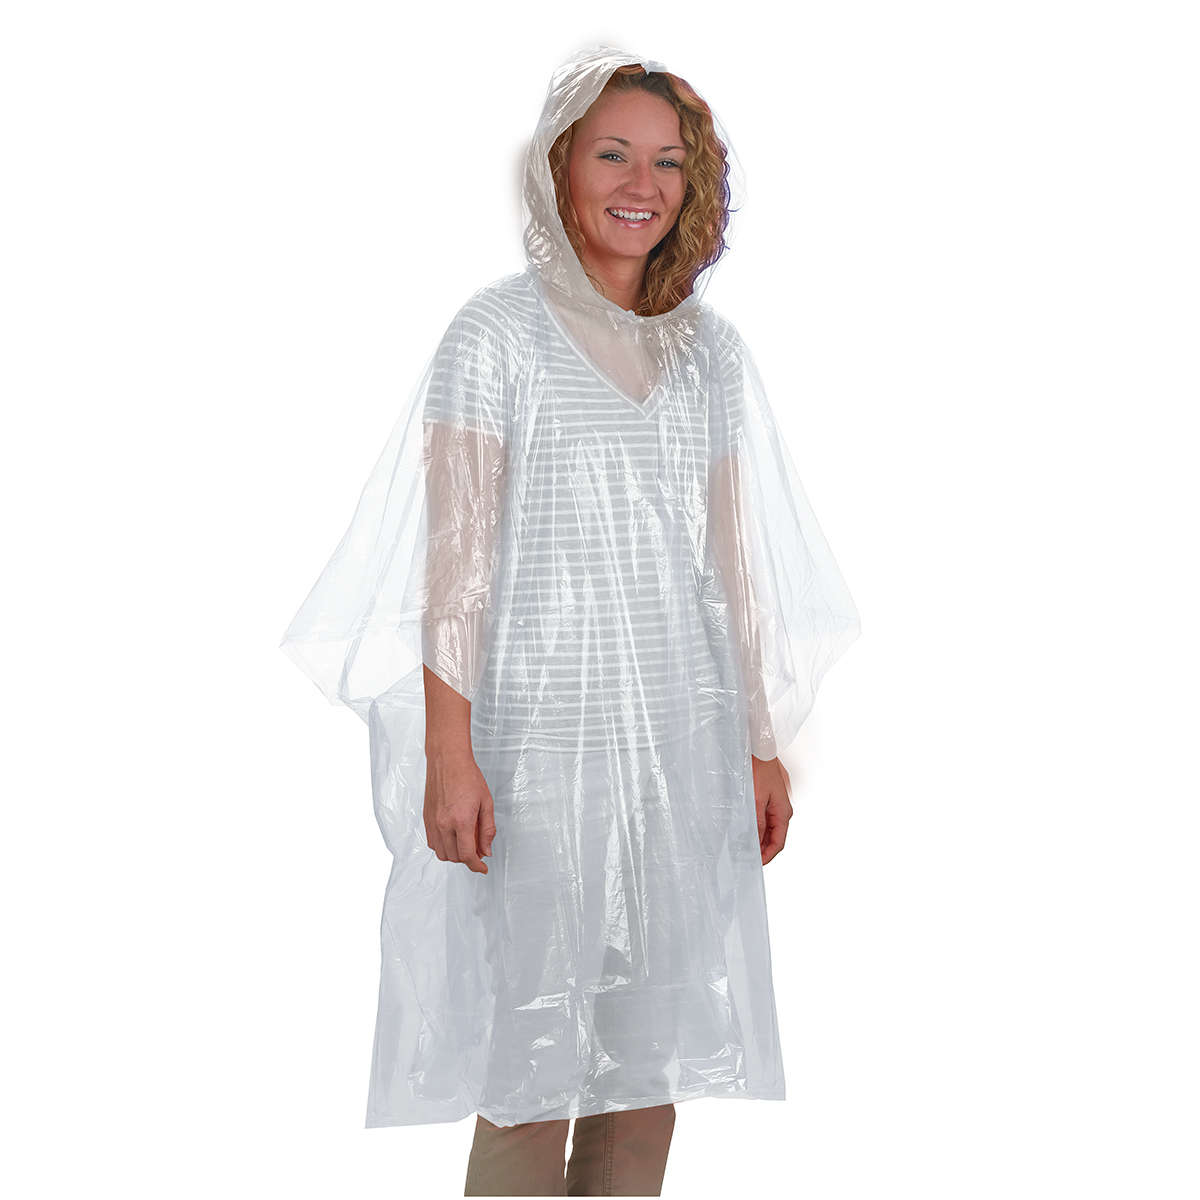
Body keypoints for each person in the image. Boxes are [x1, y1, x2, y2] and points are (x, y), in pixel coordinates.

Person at [280, 45, 861, 1198]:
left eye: (669, 161)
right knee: (533, 1052)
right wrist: (451, 754)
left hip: (681, 744)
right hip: (539, 751)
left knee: (650, 1057)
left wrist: (759, 743)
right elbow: (457, 567)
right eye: (613, 154)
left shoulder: (707, 355)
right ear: (559, 166)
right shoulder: (497, 338)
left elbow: (733, 567)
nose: (641, 184)